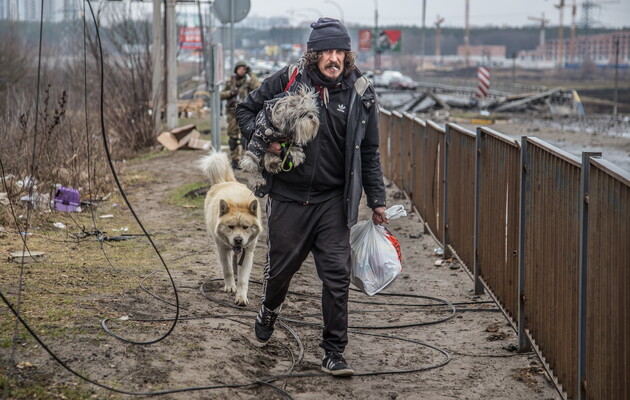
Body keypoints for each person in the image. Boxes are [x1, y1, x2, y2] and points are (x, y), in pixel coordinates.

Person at [235, 17, 388, 377]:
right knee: (279, 273)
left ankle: (334, 352)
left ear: (347, 56)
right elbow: (245, 110)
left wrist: (377, 200)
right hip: (288, 197)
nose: (333, 59)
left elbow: (370, 152)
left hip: (333, 202)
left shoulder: (361, 92)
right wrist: (264, 140)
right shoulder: (289, 79)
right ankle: (269, 310)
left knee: (336, 276)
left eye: (340, 52)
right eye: (326, 52)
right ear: (313, 55)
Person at [221, 60, 260, 169]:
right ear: (236, 70)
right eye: (240, 68)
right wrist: (230, 93)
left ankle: (245, 161)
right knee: (233, 139)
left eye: (244, 69)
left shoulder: (248, 82)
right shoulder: (230, 82)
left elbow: (257, 86)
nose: (242, 71)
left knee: (245, 139)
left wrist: (250, 73)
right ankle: (234, 160)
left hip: (245, 114)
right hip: (232, 113)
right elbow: (220, 95)